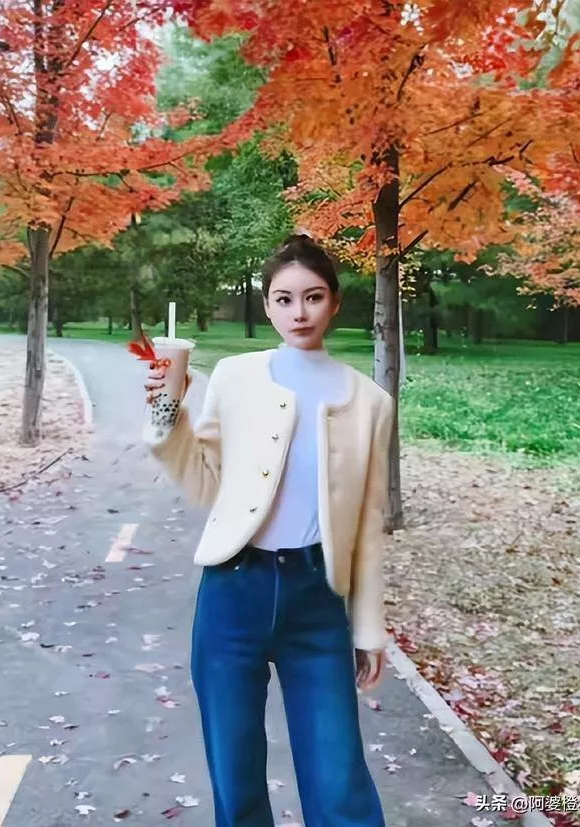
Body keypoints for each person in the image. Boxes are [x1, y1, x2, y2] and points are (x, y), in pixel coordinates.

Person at [143, 233, 394, 827]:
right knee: (236, 780)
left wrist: (368, 628)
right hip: (234, 592)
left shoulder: (371, 402)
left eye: (313, 297)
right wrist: (166, 414)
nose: (299, 312)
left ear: (334, 301)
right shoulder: (236, 377)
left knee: (338, 781)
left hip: (317, 598)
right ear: (267, 305)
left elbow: (368, 525)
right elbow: (205, 480)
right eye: (284, 299)